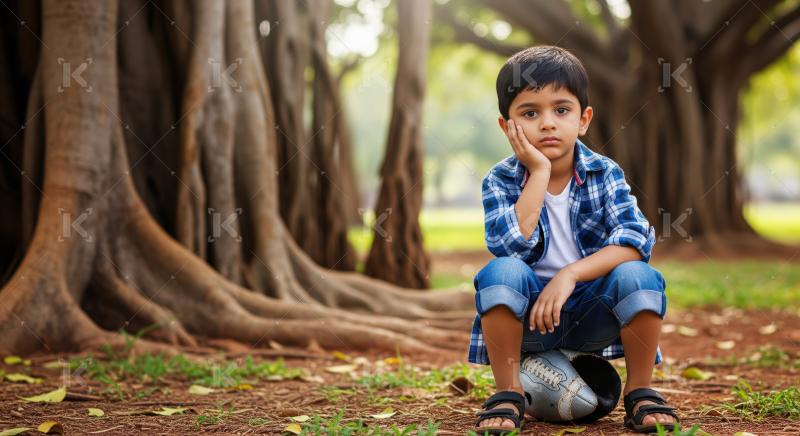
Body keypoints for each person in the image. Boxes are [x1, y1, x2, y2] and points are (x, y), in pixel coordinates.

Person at [469, 45, 680, 434]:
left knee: (639, 275)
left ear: (583, 120)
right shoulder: (500, 180)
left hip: (590, 313)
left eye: (561, 110)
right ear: (507, 127)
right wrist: (538, 171)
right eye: (530, 113)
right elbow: (509, 247)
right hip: (528, 318)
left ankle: (640, 392)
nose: (547, 123)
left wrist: (569, 275)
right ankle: (508, 394)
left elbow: (636, 241)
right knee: (500, 271)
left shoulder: (604, 172)